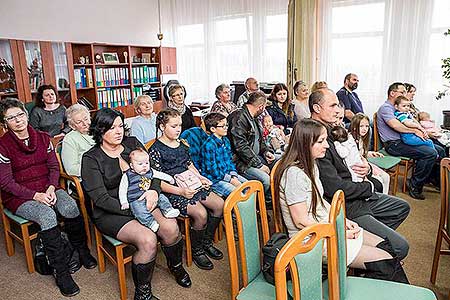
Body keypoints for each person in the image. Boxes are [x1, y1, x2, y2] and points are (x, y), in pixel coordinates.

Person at [273, 118, 408, 283]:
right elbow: (301, 221)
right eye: (321, 141)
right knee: (386, 261)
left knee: (386, 247)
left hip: (323, 228)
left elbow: (320, 201)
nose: (328, 145)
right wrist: (337, 231)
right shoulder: (294, 174)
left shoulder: (310, 165)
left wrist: (343, 220)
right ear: (306, 143)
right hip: (310, 240)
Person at [82, 108, 191, 299]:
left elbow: (153, 173)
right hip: (113, 211)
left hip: (144, 200)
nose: (118, 132)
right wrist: (137, 211)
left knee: (171, 228)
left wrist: (153, 191)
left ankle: (176, 267)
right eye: (111, 127)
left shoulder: (132, 144)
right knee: (148, 239)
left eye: (120, 126)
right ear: (100, 130)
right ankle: (142, 294)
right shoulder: (91, 158)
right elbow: (100, 199)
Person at [0, 98, 96, 297]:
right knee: (47, 216)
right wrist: (36, 196)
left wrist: (51, 188)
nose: (17, 120)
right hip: (21, 196)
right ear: (5, 123)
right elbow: (6, 183)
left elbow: (54, 167)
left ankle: (82, 250)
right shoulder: (3, 146)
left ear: (26, 115)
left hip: (48, 188)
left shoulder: (43, 138)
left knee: (70, 206)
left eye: (20, 115)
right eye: (11, 118)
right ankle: (61, 272)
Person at [310, 88, 410, 260]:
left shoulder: (331, 129)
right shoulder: (314, 136)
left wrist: (368, 169)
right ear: (317, 108)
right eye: (333, 105)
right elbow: (334, 188)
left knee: (401, 207)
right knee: (400, 247)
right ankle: (375, 252)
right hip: (345, 205)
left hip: (355, 193)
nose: (338, 110)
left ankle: (373, 246)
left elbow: (353, 158)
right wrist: (368, 186)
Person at [149, 108, 225, 270]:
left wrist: (200, 177)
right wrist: (181, 192)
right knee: (200, 213)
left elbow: (189, 164)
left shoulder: (182, 143)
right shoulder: (155, 150)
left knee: (219, 204)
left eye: (180, 126)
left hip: (189, 182)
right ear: (162, 127)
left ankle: (206, 241)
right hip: (172, 190)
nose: (178, 129)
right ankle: (197, 251)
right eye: (174, 126)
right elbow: (157, 182)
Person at [377, 82, 443, 200]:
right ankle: (415, 185)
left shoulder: (401, 107)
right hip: (394, 144)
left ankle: (433, 180)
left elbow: (413, 122)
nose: (405, 94)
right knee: (430, 153)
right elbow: (396, 126)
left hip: (403, 141)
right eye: (402, 92)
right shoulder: (386, 108)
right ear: (392, 93)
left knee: (440, 150)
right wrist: (414, 131)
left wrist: (421, 131)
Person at [228, 91, 276, 202]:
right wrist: (258, 165)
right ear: (261, 107)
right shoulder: (239, 118)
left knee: (280, 161)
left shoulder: (254, 117)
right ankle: (257, 206)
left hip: (255, 156)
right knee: (265, 180)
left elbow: (260, 140)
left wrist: (266, 152)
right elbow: (240, 147)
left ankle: (269, 199)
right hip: (241, 162)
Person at [119, 149, 179, 233]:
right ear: (132, 166)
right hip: (136, 199)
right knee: (139, 211)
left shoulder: (150, 171)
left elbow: (160, 175)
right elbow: (122, 189)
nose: (144, 166)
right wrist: (124, 202)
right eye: (140, 164)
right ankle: (150, 223)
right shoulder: (128, 175)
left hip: (151, 196)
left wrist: (170, 178)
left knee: (162, 197)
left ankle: (168, 210)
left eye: (146, 163)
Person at [200, 112, 247, 198]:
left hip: (227, 175)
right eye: (223, 126)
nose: (226, 128)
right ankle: (236, 211)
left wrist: (233, 175)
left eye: (226, 125)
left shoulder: (225, 140)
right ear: (213, 129)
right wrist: (231, 180)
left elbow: (230, 161)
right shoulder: (209, 145)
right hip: (214, 180)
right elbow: (212, 170)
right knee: (237, 194)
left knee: (248, 187)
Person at [349, 113, 391, 194]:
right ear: (354, 127)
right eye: (361, 126)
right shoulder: (350, 140)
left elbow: (361, 153)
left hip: (364, 163)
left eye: (367, 126)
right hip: (358, 167)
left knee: (386, 177)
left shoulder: (361, 138)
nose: (365, 129)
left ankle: (384, 198)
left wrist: (371, 153)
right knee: (380, 180)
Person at [61, 104, 95, 177]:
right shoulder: (69, 139)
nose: (85, 124)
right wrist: (95, 169)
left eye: (86, 119)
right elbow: (71, 169)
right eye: (79, 122)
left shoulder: (97, 131)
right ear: (73, 126)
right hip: (86, 178)